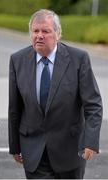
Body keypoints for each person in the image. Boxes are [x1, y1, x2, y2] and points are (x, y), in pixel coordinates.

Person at [8, 9, 103, 179]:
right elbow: (14, 108)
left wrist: (90, 141)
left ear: (58, 34)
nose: (39, 35)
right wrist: (14, 146)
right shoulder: (18, 60)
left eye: (45, 31)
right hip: (33, 150)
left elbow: (93, 104)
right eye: (35, 31)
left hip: (70, 150)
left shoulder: (78, 59)